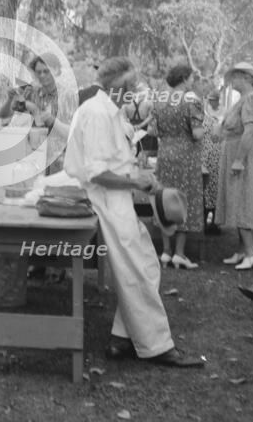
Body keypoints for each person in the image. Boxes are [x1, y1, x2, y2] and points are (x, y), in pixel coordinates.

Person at [64, 56, 203, 368]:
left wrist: (137, 173)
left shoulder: (108, 111)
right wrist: (134, 180)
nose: (135, 91)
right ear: (118, 86)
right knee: (138, 270)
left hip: (116, 197)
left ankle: (121, 339)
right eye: (131, 85)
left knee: (145, 266)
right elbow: (97, 172)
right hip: (104, 200)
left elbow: (111, 160)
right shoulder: (98, 113)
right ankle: (157, 346)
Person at [150, 65, 204, 269]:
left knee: (165, 200)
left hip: (165, 153)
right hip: (186, 156)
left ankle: (165, 252)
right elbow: (197, 133)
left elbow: (153, 131)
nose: (193, 81)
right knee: (183, 200)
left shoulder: (160, 98)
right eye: (191, 77)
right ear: (184, 78)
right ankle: (179, 254)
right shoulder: (192, 100)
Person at [216, 62, 253, 270]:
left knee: (242, 199)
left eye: (236, 77)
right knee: (236, 198)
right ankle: (242, 250)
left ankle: (252, 253)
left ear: (247, 78)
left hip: (243, 154)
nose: (232, 81)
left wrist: (239, 159)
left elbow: (250, 131)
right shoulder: (242, 100)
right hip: (235, 149)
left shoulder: (252, 99)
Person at [0, 52, 76, 174]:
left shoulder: (68, 96)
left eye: (46, 71)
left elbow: (72, 134)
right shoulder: (31, 92)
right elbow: (4, 117)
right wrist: (10, 100)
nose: (42, 75)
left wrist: (52, 121)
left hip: (58, 160)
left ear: (56, 70)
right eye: (38, 72)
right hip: (32, 157)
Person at [202, 89, 223, 235]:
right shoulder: (202, 113)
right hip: (205, 153)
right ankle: (203, 221)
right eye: (209, 99)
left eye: (213, 99)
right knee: (205, 187)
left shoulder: (223, 113)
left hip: (218, 153)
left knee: (216, 187)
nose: (211, 101)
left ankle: (214, 221)